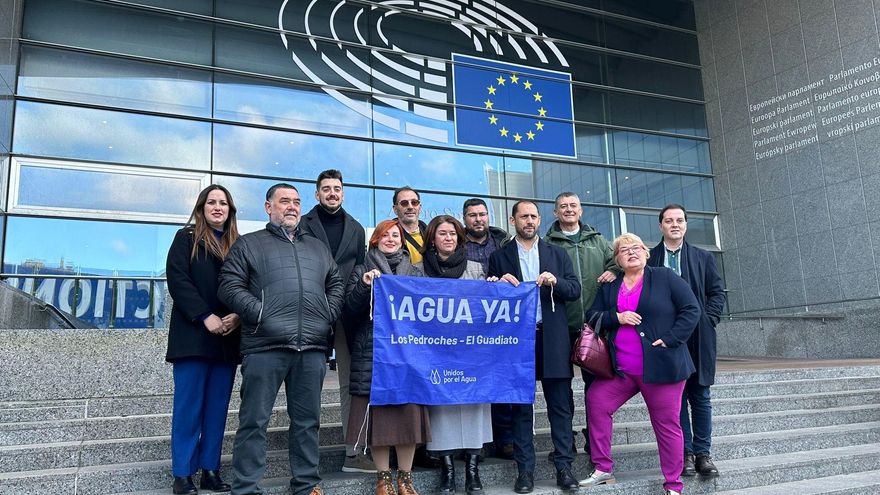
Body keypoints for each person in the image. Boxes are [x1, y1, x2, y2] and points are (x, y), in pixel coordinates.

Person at [218, 183, 344, 495]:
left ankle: (306, 484)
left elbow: (336, 283)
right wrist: (260, 313)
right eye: (284, 201)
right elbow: (228, 285)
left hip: (311, 347)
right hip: (265, 346)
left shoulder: (317, 247)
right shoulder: (249, 244)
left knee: (307, 422)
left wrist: (327, 313)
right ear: (268, 207)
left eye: (296, 202)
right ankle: (246, 488)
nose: (291, 207)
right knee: (254, 421)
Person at [579, 233, 700, 495]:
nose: (631, 252)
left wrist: (671, 339)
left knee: (666, 425)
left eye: (636, 248)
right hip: (621, 370)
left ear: (646, 252)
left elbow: (692, 309)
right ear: (617, 260)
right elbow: (592, 315)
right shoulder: (610, 286)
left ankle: (673, 485)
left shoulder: (665, 277)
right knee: (597, 400)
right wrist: (617, 317)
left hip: (661, 367)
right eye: (624, 250)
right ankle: (602, 467)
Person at [486, 200, 581, 494]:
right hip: (517, 342)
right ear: (512, 220)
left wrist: (556, 282)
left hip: (552, 338)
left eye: (533, 217)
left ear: (539, 220)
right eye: (523, 216)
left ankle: (564, 467)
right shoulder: (499, 257)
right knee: (520, 410)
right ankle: (525, 471)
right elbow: (490, 299)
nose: (529, 221)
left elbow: (575, 290)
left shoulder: (557, 253)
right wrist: (496, 284)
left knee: (560, 407)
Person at [343, 219, 432, 495]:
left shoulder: (415, 273)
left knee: (408, 418)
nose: (391, 239)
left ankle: (405, 479)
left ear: (402, 241)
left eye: (396, 235)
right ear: (375, 240)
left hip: (407, 357)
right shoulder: (362, 270)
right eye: (385, 235)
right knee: (378, 422)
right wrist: (364, 286)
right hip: (373, 354)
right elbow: (349, 310)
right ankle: (383, 479)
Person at [165, 185, 241, 495]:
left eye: (223, 203)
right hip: (193, 338)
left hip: (226, 340)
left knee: (216, 410)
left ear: (230, 210)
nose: (217, 207)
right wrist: (204, 315)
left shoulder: (238, 245)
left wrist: (238, 315)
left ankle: (210, 470)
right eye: (212, 202)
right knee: (188, 410)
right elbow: (178, 279)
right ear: (201, 208)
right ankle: (183, 474)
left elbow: (248, 285)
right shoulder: (186, 238)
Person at [299, 169, 372, 473]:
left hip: (344, 313)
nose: (332, 193)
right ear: (317, 194)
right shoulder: (302, 224)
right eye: (326, 188)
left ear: (343, 193)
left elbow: (359, 269)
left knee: (348, 384)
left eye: (337, 188)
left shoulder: (355, 228)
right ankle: (305, 460)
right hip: (308, 311)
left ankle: (353, 453)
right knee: (306, 384)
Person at [648, 205, 726, 477]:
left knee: (700, 395)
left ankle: (703, 454)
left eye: (679, 220)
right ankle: (685, 453)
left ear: (685, 224)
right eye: (669, 221)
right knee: (676, 397)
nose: (675, 225)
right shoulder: (650, 258)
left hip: (698, 336)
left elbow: (717, 293)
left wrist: (708, 318)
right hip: (666, 339)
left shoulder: (703, 257)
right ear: (661, 226)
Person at [418, 215, 492, 495]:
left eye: (452, 233)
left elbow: (487, 308)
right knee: (441, 411)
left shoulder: (476, 269)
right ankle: (447, 472)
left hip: (471, 353)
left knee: (474, 407)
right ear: (432, 239)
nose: (448, 238)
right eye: (442, 233)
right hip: (436, 353)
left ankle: (473, 472)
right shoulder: (418, 270)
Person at [544, 192, 617, 455]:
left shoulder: (598, 241)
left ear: (581, 210)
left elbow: (618, 261)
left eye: (573, 205)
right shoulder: (546, 244)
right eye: (563, 206)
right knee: (560, 390)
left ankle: (593, 439)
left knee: (595, 388)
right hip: (560, 327)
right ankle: (566, 442)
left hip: (594, 326)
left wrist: (614, 271)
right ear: (555, 213)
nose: (568, 209)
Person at [392, 186, 427, 264]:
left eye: (414, 202)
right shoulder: (385, 236)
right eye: (404, 203)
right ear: (395, 209)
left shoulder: (432, 236)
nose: (410, 207)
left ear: (420, 208)